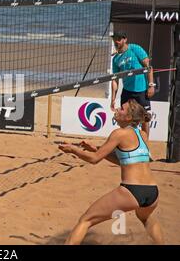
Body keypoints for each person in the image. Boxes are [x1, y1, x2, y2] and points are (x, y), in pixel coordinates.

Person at [58, 98, 164, 245]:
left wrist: (73, 150)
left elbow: (94, 159)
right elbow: (123, 160)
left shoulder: (119, 133)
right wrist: (95, 148)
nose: (116, 110)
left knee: (85, 220)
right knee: (146, 218)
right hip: (152, 193)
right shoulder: (143, 135)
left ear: (128, 117)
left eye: (121, 109)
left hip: (132, 191)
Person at [111, 31, 155, 137]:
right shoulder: (116, 59)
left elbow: (149, 67)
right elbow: (115, 80)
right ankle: (125, 144)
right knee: (124, 120)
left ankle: (145, 146)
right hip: (127, 92)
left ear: (125, 39)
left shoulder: (134, 48)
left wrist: (151, 85)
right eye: (114, 39)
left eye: (118, 39)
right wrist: (113, 98)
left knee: (145, 120)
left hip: (141, 91)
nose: (116, 41)